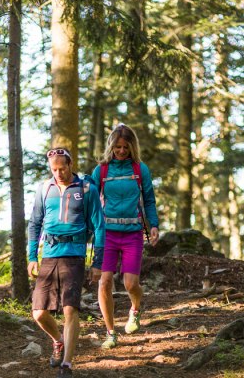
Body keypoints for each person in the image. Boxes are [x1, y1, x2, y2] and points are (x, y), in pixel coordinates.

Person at [28, 147, 105, 378]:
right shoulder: (44, 189)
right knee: (39, 312)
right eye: (54, 169)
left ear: (70, 164)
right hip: (50, 254)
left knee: (70, 309)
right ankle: (58, 341)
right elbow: (34, 223)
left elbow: (99, 226)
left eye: (62, 168)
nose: (58, 173)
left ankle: (67, 365)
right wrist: (32, 256)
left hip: (75, 254)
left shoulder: (86, 188)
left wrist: (97, 261)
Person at [91, 124, 159, 349]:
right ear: (111, 146)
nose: (121, 151)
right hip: (107, 234)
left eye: (125, 148)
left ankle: (135, 309)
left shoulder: (140, 169)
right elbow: (90, 202)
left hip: (132, 234)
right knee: (105, 281)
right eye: (118, 147)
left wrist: (154, 225)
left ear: (132, 147)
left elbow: (148, 199)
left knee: (131, 284)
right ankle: (110, 332)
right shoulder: (101, 171)